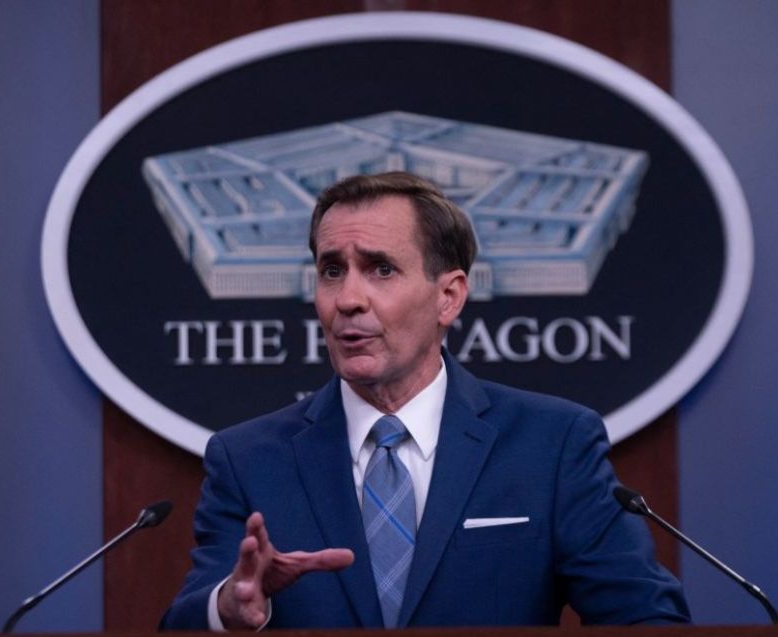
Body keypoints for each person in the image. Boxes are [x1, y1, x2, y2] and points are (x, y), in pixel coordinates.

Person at [161, 172, 690, 630]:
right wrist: (229, 609)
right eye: (332, 270)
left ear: (449, 296)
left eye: (381, 269)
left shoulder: (550, 446)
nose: (347, 299)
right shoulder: (250, 459)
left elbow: (645, 618)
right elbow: (188, 620)